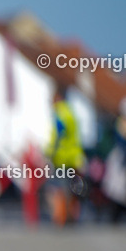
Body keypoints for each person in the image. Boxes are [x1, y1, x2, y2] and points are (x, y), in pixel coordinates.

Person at [45, 89, 86, 225]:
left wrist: (50, 152)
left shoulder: (60, 114)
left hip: (61, 157)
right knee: (71, 187)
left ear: (57, 98)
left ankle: (62, 217)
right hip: (73, 157)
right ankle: (70, 215)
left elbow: (58, 136)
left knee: (58, 188)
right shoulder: (71, 113)